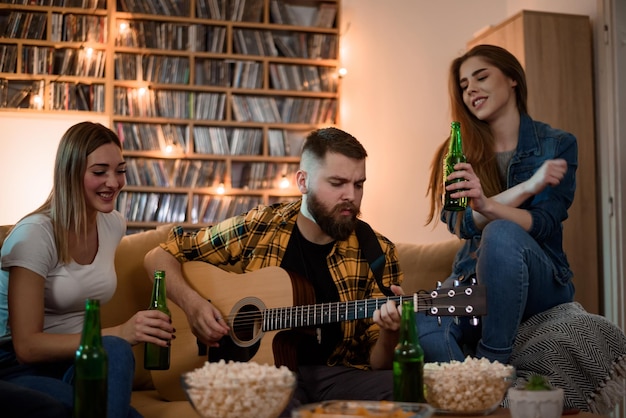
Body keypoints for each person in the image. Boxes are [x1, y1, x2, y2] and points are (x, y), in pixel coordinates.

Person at [144, 127, 405, 415]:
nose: (351, 196)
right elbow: (159, 256)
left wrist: (390, 333)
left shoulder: (378, 252)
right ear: (303, 181)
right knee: (269, 403)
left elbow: (378, 362)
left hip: (335, 376)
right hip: (263, 376)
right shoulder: (261, 226)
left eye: (359, 184)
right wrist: (193, 307)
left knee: (408, 386)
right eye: (338, 183)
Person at [0, 122, 175, 418]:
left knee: (116, 351)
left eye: (120, 170)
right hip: (16, 367)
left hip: (78, 362)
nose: (114, 182)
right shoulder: (34, 235)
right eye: (99, 172)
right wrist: (120, 331)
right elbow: (26, 347)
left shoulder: (113, 224)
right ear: (70, 174)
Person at [421, 44, 576, 364]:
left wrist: (486, 205)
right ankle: (467, 389)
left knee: (502, 232)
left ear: (511, 78)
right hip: (474, 284)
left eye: (481, 77)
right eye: (464, 86)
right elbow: (460, 224)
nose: (471, 90)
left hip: (541, 282)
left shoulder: (558, 144)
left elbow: (544, 223)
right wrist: (529, 186)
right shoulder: (455, 154)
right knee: (425, 312)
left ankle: (493, 364)